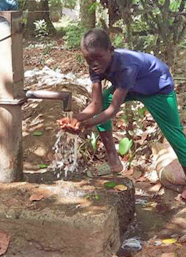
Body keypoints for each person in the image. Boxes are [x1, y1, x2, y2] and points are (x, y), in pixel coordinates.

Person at [57, 28, 186, 198]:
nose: (94, 64)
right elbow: (97, 105)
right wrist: (74, 118)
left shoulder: (127, 66)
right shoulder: (94, 67)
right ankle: (114, 162)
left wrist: (84, 124)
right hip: (130, 87)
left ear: (111, 50)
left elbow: (112, 111)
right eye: (88, 59)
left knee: (174, 133)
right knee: (104, 99)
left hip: (157, 88)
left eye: (98, 58)